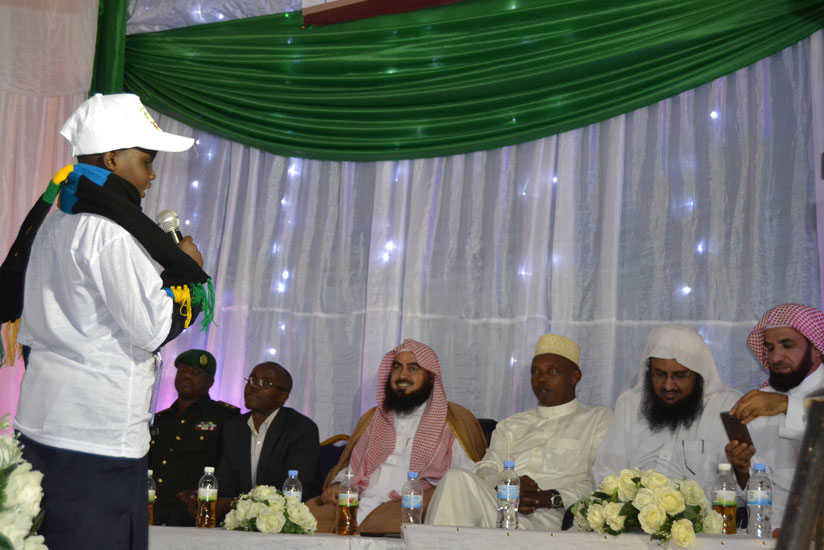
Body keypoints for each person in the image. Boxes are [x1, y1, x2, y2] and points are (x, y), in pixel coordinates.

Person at [4, 93, 212, 550]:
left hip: (41, 421)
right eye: (146, 161)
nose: (152, 175)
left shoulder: (55, 220)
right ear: (113, 158)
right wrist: (187, 274)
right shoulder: (110, 230)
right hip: (96, 436)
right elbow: (152, 327)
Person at [426, 334, 612, 530]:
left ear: (575, 376)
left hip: (551, 516)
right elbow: (485, 468)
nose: (541, 379)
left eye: (552, 371)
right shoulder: (511, 425)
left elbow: (601, 482)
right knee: (455, 478)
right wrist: (506, 487)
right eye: (535, 371)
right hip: (500, 506)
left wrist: (549, 498)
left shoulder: (598, 419)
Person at [305, 339, 487, 534]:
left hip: (413, 503)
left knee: (375, 530)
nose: (402, 376)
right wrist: (338, 484)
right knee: (301, 519)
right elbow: (353, 467)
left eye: (413, 369)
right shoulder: (374, 418)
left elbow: (466, 479)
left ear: (431, 377)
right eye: (397, 368)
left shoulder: (453, 420)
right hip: (359, 498)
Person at [592, 324, 742, 498]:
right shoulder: (629, 403)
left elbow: (735, 489)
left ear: (698, 373)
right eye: (659, 374)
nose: (668, 386)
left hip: (700, 520)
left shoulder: (726, 407)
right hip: (634, 518)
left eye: (679, 376)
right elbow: (607, 470)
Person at [726, 303, 824, 528]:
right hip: (770, 530)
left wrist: (785, 405)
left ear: (817, 347)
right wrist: (741, 468)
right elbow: (751, 487)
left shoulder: (771, 401)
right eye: (769, 348)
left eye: (787, 346)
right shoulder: (761, 399)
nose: (776, 357)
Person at [210, 361, 320, 515]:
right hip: (236, 518)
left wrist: (237, 504)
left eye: (265, 383)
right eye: (252, 380)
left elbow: (293, 489)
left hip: (281, 520)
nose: (254, 386)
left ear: (282, 397)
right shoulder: (234, 428)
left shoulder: (301, 429)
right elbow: (226, 482)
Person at [148, 349, 239, 525]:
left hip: (192, 514)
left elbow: (230, 469)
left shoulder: (225, 418)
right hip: (153, 511)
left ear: (211, 382)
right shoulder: (160, 419)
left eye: (196, 373)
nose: (187, 376)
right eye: (182, 370)